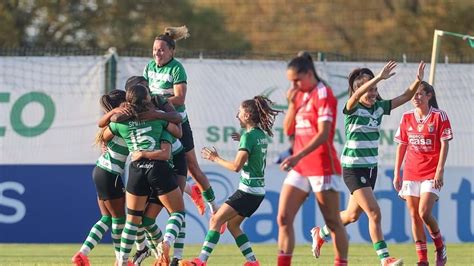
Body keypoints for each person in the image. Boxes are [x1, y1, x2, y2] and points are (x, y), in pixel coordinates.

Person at [313, 61, 426, 266]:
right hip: (353, 169)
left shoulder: (379, 108)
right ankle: (385, 259)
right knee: (374, 212)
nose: (374, 92)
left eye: (375, 89)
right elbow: (356, 96)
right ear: (359, 90)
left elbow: (406, 96)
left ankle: (320, 232)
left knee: (351, 215)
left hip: (371, 168)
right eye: (370, 89)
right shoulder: (352, 108)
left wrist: (417, 80)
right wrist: (378, 77)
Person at [180, 96, 282, 266]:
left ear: (248, 115)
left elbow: (236, 167)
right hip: (257, 192)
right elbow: (252, 148)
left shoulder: (248, 138)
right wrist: (242, 137)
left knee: (215, 220)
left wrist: (215, 158)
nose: (237, 116)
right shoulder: (259, 135)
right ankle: (252, 262)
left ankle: (201, 261)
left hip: (247, 192)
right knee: (233, 225)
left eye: (240, 112)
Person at [276, 52, 349, 266]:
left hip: (321, 165)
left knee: (333, 222)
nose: (294, 85)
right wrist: (291, 104)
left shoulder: (324, 94)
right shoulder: (298, 95)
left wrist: (296, 155)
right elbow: (288, 128)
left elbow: (324, 134)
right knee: (283, 218)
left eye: (297, 80)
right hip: (300, 167)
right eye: (291, 81)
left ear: (309, 74)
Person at [143, 26, 218, 215]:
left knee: (191, 166)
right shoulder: (149, 67)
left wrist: (156, 102)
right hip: (157, 123)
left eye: (161, 50)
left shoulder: (177, 68)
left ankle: (214, 207)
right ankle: (189, 190)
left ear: (171, 51)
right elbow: (143, 93)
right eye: (154, 50)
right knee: (159, 164)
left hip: (177, 122)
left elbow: (179, 99)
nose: (157, 54)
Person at [108, 84, 186, 266]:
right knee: (177, 212)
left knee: (132, 221)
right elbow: (178, 131)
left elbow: (104, 134)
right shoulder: (157, 119)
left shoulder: (121, 122)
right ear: (147, 99)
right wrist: (161, 115)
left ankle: (122, 261)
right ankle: (166, 243)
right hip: (159, 168)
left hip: (136, 170)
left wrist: (118, 116)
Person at [393, 81, 452, 266]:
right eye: (414, 94)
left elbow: (445, 144)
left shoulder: (439, 116)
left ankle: (440, 247)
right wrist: (397, 173)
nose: (416, 98)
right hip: (411, 172)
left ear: (429, 96)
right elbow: (402, 146)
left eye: (420, 94)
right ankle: (422, 260)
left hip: (431, 173)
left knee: (424, 213)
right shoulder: (406, 117)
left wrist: (439, 171)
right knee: (414, 216)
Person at [72, 90, 128, 266]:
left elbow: (103, 131)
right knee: (120, 219)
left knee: (107, 219)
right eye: (127, 100)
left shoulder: (114, 120)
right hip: (111, 173)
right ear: (121, 103)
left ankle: (82, 253)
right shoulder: (121, 120)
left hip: (100, 170)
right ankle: (121, 261)